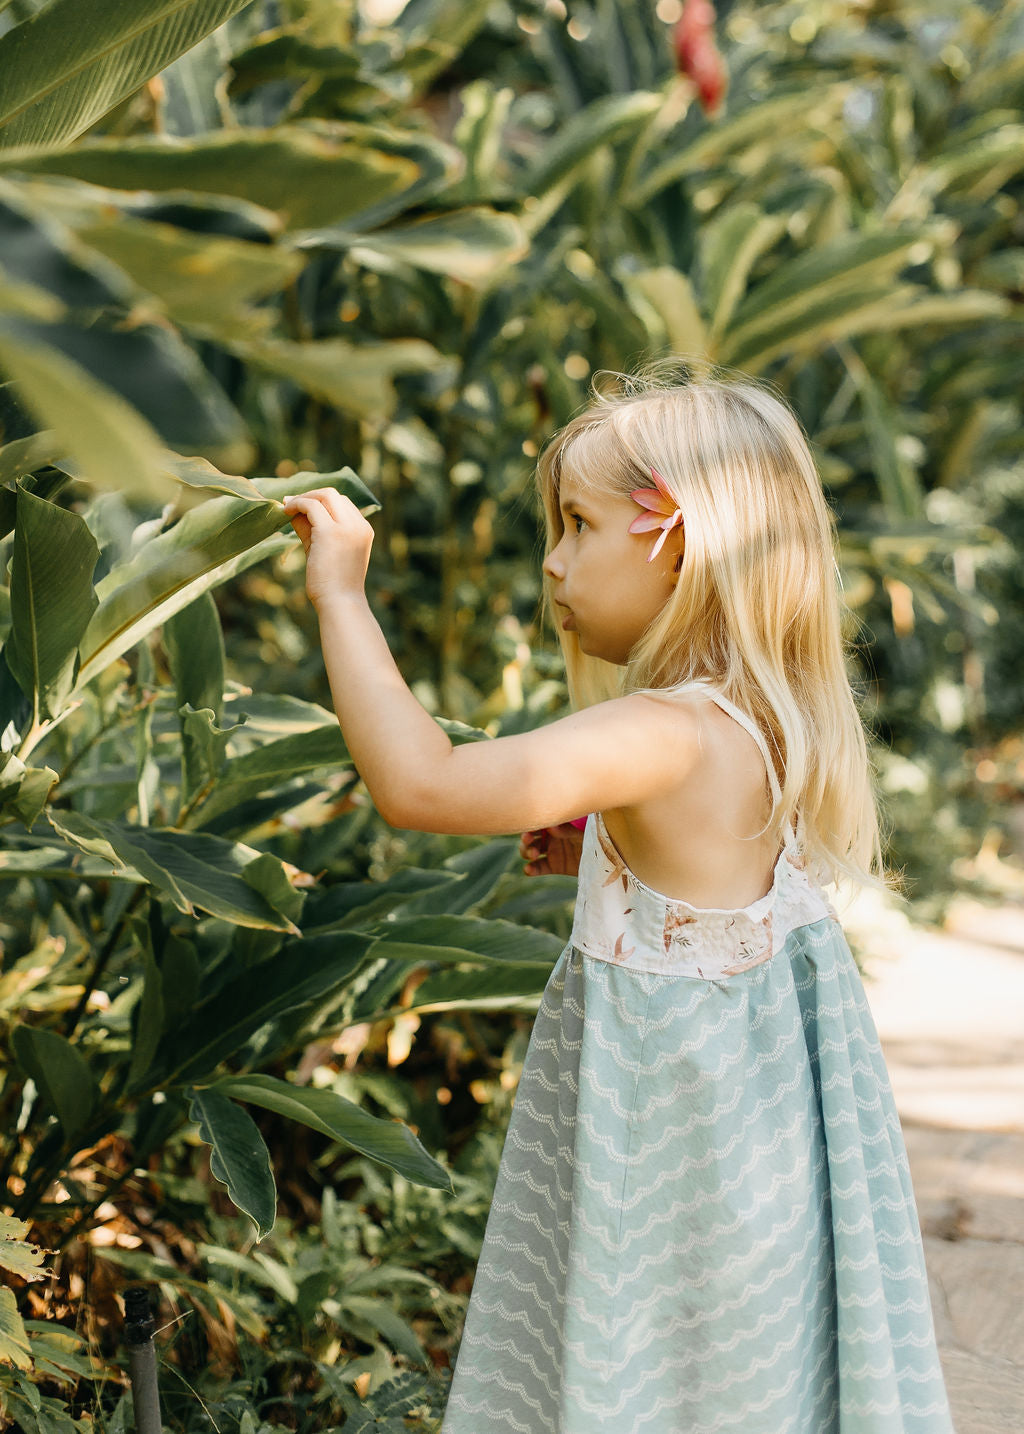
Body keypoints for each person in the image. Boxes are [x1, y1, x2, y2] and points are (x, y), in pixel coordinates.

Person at [281, 365, 955, 1434]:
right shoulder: (756, 717)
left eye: (578, 526)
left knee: (638, 1385)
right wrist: (606, 846)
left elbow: (424, 786)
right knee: (717, 1392)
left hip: (669, 1148)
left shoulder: (662, 729)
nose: (552, 562)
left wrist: (340, 595)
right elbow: (715, 888)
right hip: (750, 1144)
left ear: (675, 541)